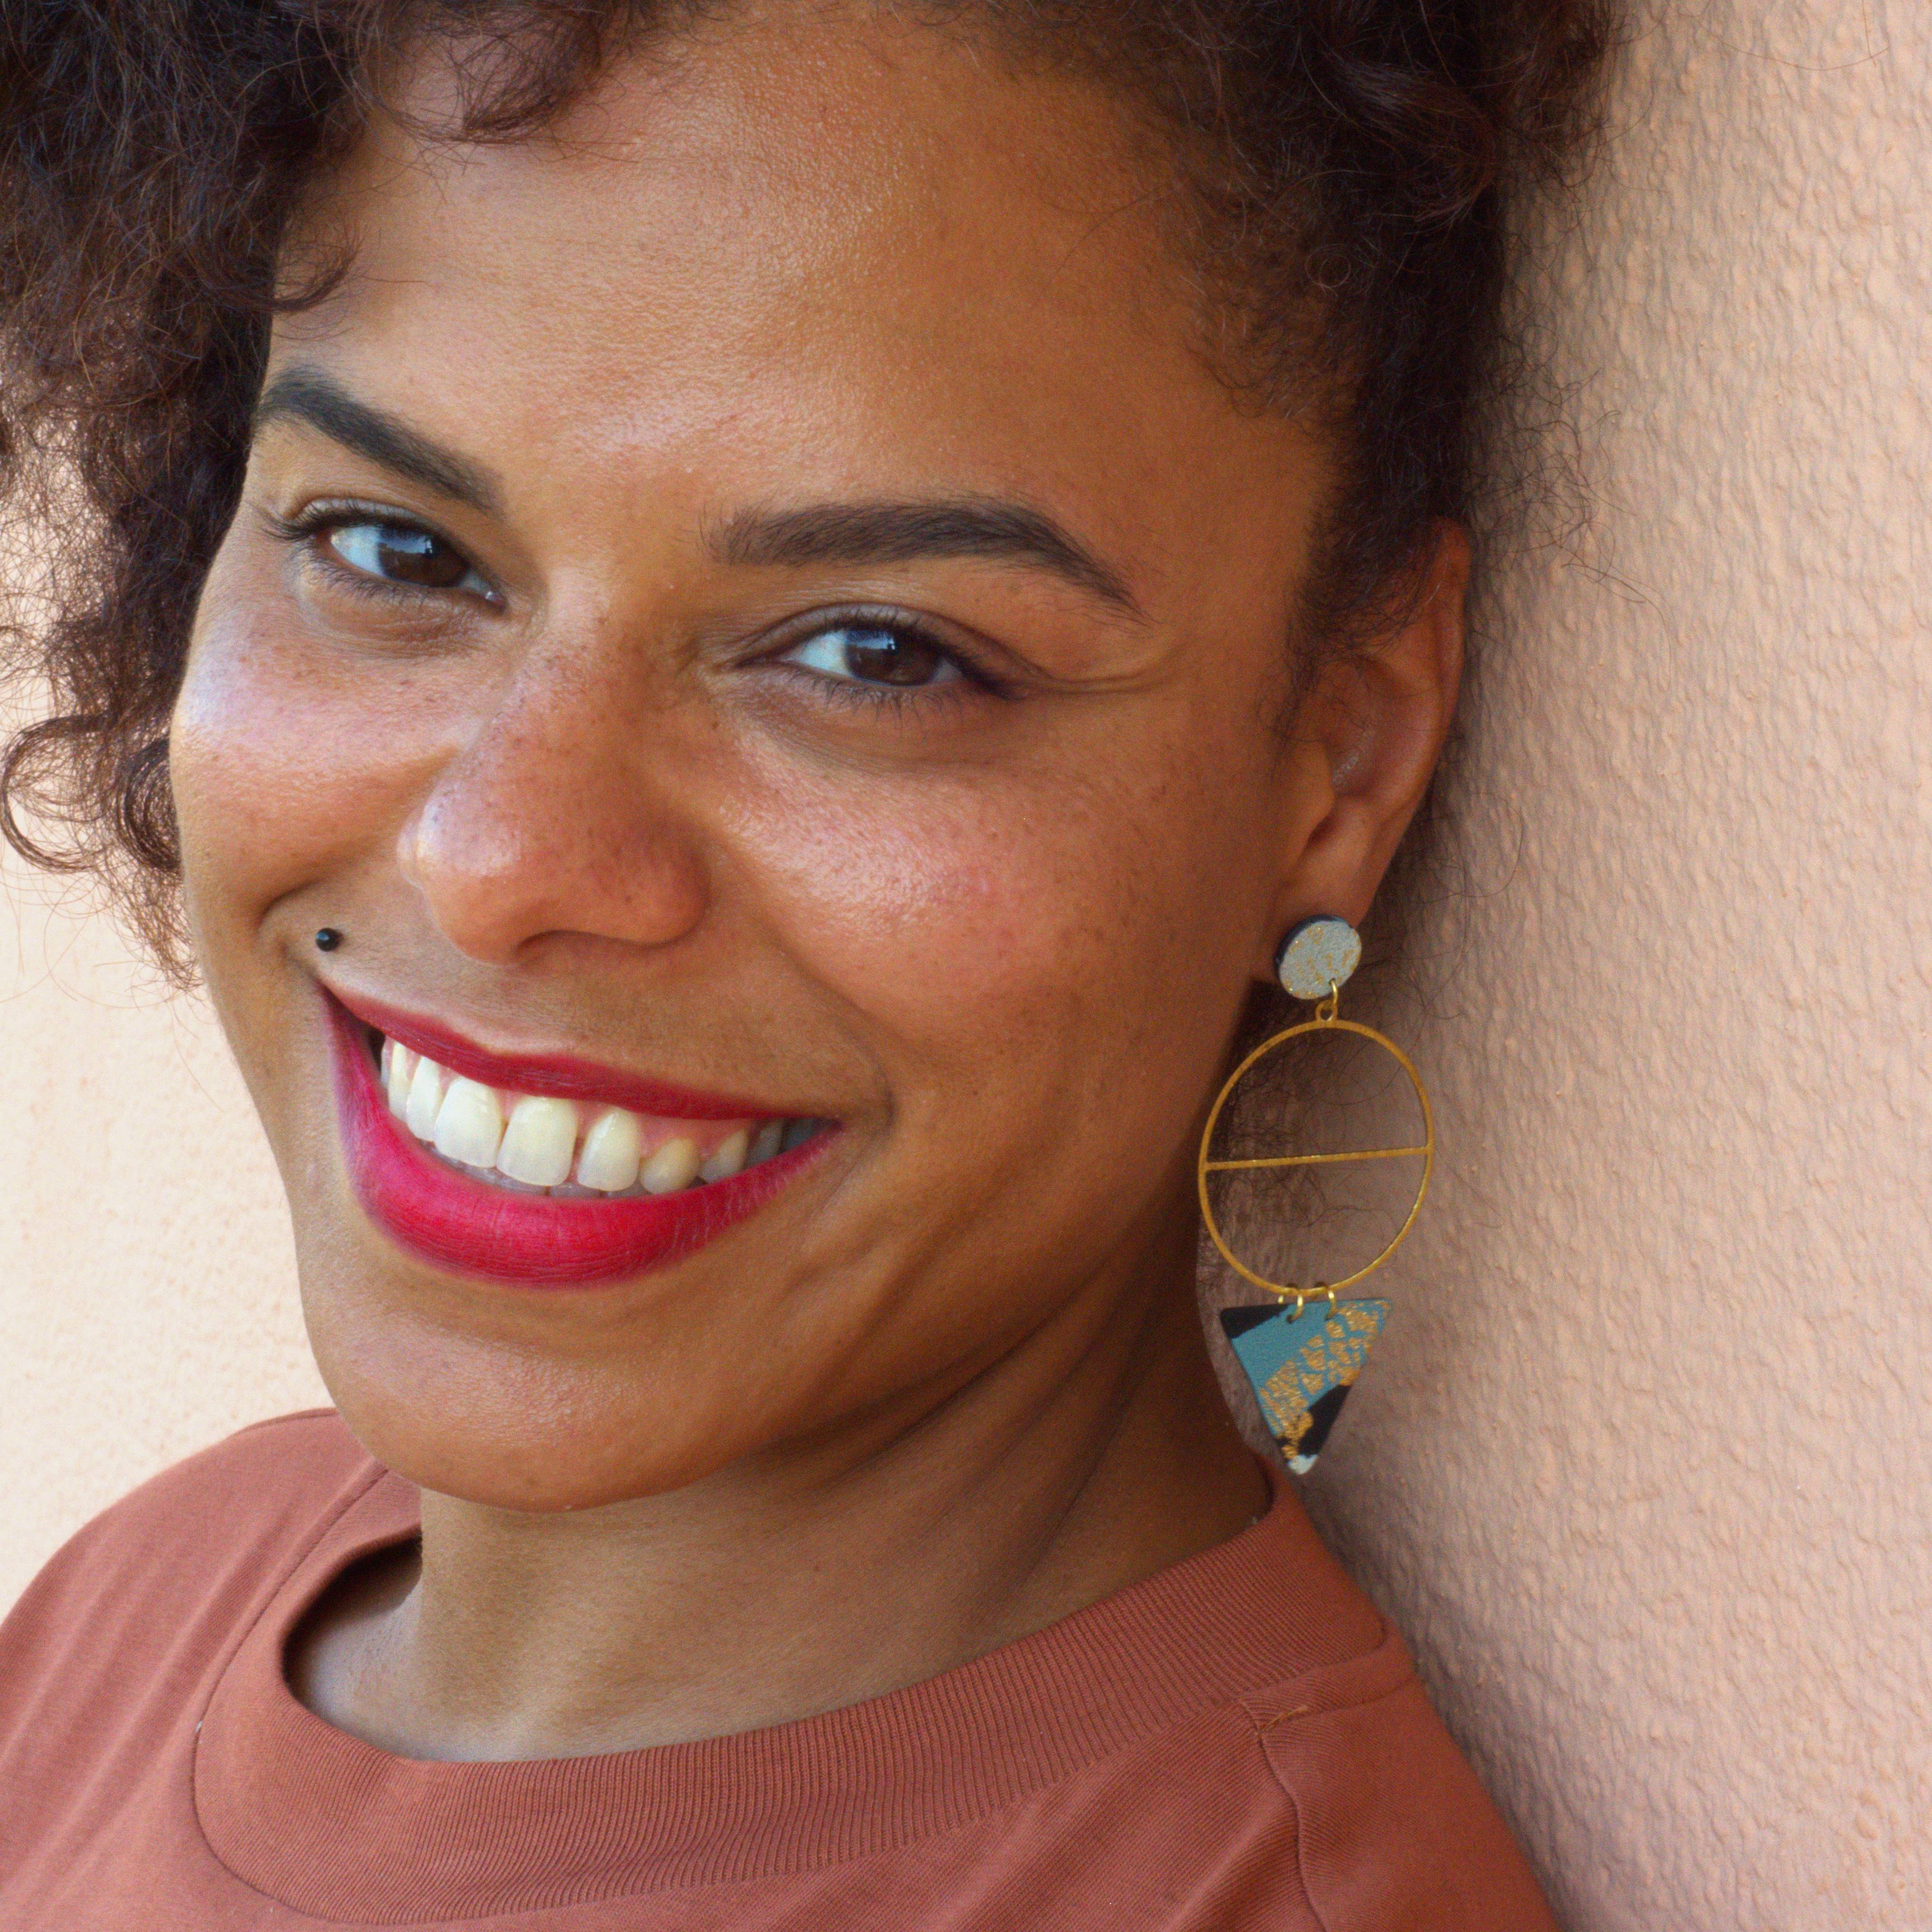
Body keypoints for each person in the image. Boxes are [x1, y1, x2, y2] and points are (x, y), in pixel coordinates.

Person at [0, 3, 1611, 1925]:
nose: (506, 857)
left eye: (877, 655)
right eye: (393, 548)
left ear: (1342, 754)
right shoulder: (150, 1603)